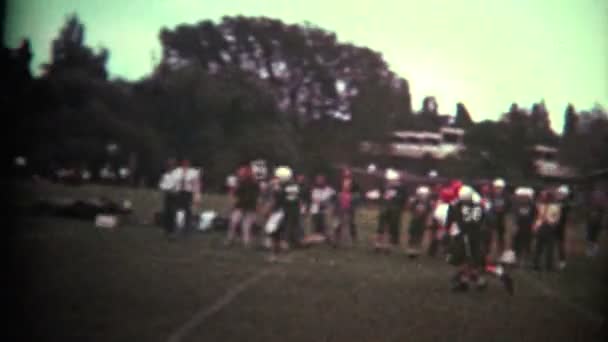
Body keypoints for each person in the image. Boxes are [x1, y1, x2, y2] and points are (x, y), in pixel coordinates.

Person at [446, 185, 514, 295]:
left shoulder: (458, 206)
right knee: (472, 261)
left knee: (474, 262)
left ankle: (497, 275)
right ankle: (470, 281)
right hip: (479, 235)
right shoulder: (480, 204)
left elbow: (453, 220)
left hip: (470, 235)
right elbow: (490, 220)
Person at [265, 166, 299, 262]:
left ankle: (281, 255)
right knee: (275, 234)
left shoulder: (291, 186)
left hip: (286, 213)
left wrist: (279, 190)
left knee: (283, 236)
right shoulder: (276, 185)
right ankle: (274, 255)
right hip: (278, 212)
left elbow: (291, 201)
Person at [225, 164, 259, 247]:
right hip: (243, 205)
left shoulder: (251, 183)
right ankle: (235, 240)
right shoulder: (243, 183)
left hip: (247, 205)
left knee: (241, 223)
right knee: (237, 223)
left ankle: (243, 241)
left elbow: (235, 194)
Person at [374, 169, 407, 252]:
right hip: (385, 208)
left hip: (395, 210)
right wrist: (381, 197)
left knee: (392, 228)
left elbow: (403, 199)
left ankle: (388, 246)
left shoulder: (401, 188)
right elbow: (380, 195)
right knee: (381, 227)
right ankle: (378, 244)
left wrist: (395, 198)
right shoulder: (385, 186)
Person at [532, 189, 562, 272]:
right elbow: (537, 216)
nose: (544, 198)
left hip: (550, 227)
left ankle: (548, 266)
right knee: (539, 247)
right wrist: (536, 226)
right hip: (542, 227)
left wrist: (553, 223)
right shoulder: (540, 205)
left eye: (545, 196)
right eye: (543, 196)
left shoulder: (555, 206)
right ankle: (536, 265)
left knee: (549, 248)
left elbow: (557, 218)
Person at [172, 158, 202, 235]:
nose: (185, 164)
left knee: (188, 211)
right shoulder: (176, 171)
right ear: (182, 163)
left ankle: (187, 229)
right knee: (177, 210)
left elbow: (196, 185)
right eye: (184, 162)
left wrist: (197, 197)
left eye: (187, 162)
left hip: (188, 193)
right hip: (178, 193)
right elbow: (173, 182)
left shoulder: (193, 172)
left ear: (189, 163)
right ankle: (177, 227)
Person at [333, 167, 361, 246]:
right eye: (345, 173)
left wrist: (352, 197)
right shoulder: (339, 183)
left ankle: (353, 238)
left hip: (350, 206)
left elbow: (358, 194)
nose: (346, 175)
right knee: (338, 223)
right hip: (340, 206)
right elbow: (335, 193)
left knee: (351, 222)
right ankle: (336, 239)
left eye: (348, 173)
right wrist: (339, 196)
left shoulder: (355, 184)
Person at [512, 187, 536, 268]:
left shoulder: (532, 205)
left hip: (528, 226)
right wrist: (515, 225)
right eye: (522, 196)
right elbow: (515, 215)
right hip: (519, 226)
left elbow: (534, 216)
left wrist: (533, 225)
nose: (524, 197)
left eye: (526, 196)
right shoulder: (517, 205)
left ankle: (527, 260)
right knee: (517, 243)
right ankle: (516, 259)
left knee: (527, 243)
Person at [406, 185, 432, 257]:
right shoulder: (415, 201)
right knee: (412, 235)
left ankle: (416, 249)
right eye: (422, 194)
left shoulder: (428, 203)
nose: (423, 196)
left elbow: (429, 212)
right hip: (415, 221)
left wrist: (428, 221)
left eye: (425, 195)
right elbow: (410, 209)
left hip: (422, 221)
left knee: (420, 236)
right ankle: (411, 249)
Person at [308, 174, 335, 242]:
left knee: (327, 225)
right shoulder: (313, 189)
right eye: (318, 180)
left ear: (324, 180)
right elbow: (311, 199)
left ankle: (330, 238)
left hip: (326, 210)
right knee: (314, 225)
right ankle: (315, 238)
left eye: (321, 180)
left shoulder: (329, 189)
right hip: (315, 210)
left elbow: (333, 199)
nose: (319, 181)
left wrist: (326, 203)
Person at [489, 178, 510, 257]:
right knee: (493, 235)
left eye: (500, 188)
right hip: (494, 217)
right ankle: (493, 251)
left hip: (502, 217)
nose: (498, 189)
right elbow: (491, 206)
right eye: (497, 188)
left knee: (501, 235)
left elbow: (508, 207)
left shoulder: (506, 197)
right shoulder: (492, 196)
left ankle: (501, 251)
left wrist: (503, 210)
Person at [158, 158, 178, 238]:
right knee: (167, 212)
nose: (170, 165)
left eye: (172, 163)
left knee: (172, 213)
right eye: (169, 164)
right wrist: (166, 189)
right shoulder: (165, 175)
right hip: (168, 195)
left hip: (175, 196)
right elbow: (161, 185)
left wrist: (175, 190)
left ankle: (172, 231)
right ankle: (166, 230)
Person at [586, 186, 607, 257]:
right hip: (594, 221)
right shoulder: (602, 197)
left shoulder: (599, 205)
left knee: (592, 236)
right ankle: (592, 251)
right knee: (593, 236)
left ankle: (592, 251)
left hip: (595, 221)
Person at [555, 185, 572, 270]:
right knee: (550, 243)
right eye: (559, 193)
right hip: (553, 225)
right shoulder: (555, 201)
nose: (559, 194)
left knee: (560, 244)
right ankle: (553, 260)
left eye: (561, 193)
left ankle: (562, 261)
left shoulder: (566, 204)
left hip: (560, 226)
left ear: (565, 194)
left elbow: (564, 215)